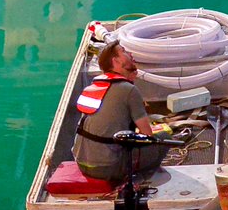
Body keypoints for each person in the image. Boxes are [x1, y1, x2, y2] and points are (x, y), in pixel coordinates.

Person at [72, 37, 167, 186]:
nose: (129, 53)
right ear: (116, 61)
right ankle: (141, 181)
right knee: (163, 137)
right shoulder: (128, 90)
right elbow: (148, 136)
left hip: (81, 162)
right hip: (109, 168)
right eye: (123, 51)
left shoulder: (94, 86)